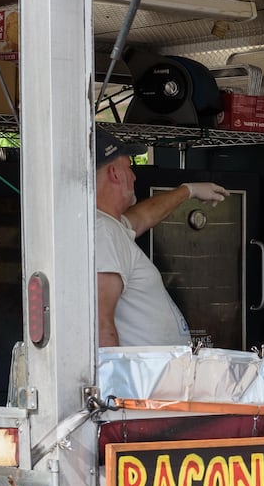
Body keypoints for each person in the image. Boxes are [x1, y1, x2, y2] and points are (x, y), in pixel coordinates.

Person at [94, 126, 228, 347]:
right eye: (129, 167)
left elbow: (143, 216)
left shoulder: (110, 226)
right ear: (115, 173)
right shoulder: (103, 231)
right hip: (137, 379)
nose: (135, 176)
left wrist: (189, 190)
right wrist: (114, 380)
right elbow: (100, 323)